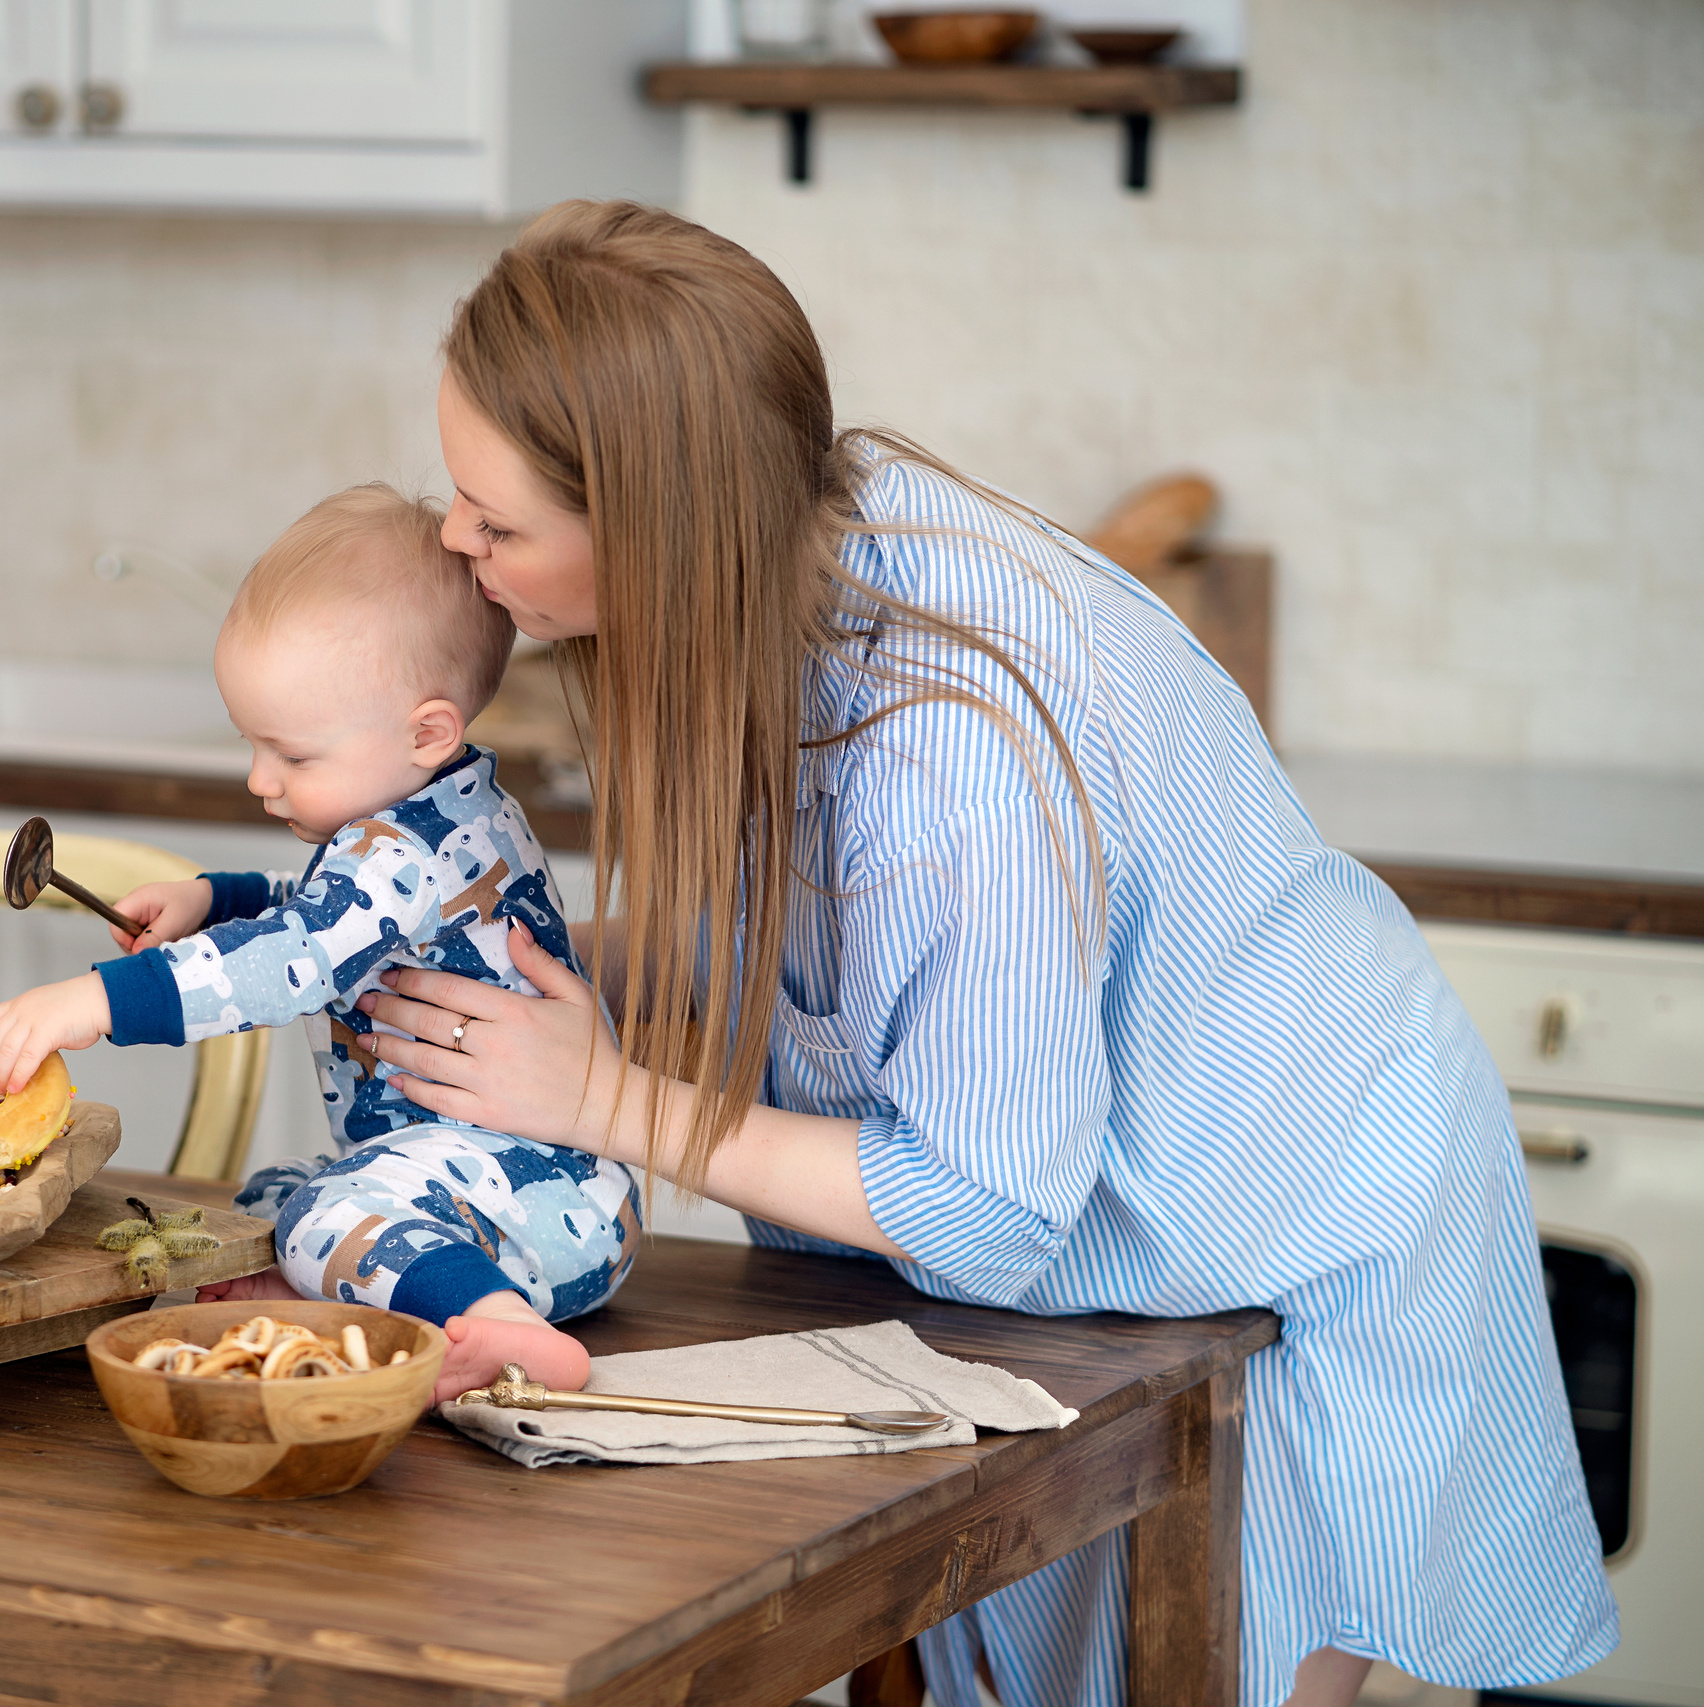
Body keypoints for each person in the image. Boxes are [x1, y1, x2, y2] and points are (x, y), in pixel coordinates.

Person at [339, 202, 1617, 1707]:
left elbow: (986, 1197)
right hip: (1110, 1279)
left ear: (663, 522)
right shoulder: (799, 534)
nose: (455, 541)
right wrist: (515, 963)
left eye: (498, 523)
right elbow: (812, 937)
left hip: (1288, 1234)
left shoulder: (949, 752)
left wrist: (599, 1096)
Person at [0, 484, 635, 1401]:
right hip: (514, 1190)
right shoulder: (445, 813)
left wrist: (97, 1002)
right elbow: (329, 919)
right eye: (253, 745)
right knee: (275, 1192)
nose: (259, 780)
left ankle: (503, 1328)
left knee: (331, 1207)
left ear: (426, 731)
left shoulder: (399, 848)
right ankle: (320, 1285)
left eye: (293, 755)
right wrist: (212, 899)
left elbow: (296, 957)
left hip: (535, 1206)